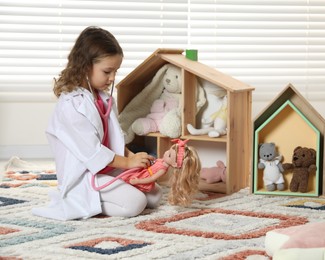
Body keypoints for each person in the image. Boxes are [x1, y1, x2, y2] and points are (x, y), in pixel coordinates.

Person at [32, 26, 161, 221]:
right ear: (85, 66)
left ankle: (112, 195)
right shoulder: (71, 105)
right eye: (107, 71)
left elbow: (114, 141)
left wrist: (134, 158)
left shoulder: (104, 99)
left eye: (115, 72)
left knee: (154, 195)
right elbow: (92, 152)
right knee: (136, 203)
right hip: (86, 175)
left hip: (109, 167)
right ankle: (86, 203)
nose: (111, 78)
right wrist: (127, 163)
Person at [93, 139, 201, 206]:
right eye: (169, 151)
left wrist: (139, 180)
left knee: (152, 197)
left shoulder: (163, 169)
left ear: (174, 165)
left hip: (142, 177)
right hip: (140, 172)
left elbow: (151, 179)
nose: (166, 152)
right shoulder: (161, 162)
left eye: (169, 155)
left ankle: (118, 194)